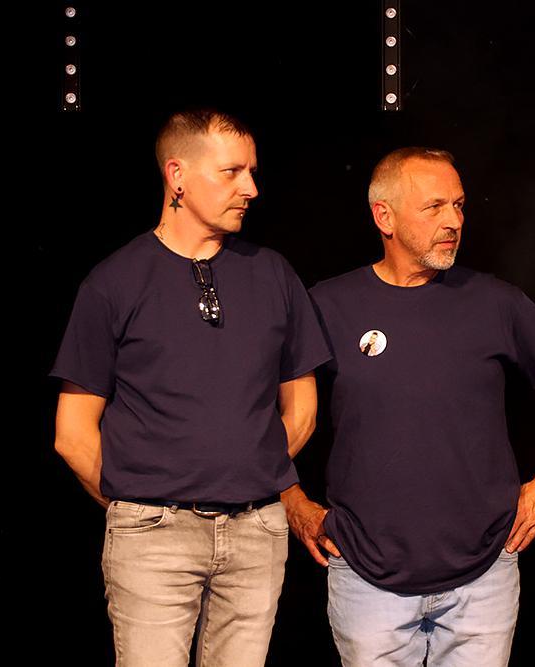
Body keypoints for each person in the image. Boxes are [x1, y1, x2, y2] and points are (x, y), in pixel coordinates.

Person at [283, 147, 535, 666]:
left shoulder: (493, 301)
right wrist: (291, 500)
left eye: (459, 205)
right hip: (366, 579)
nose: (453, 220)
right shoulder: (327, 305)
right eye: (434, 207)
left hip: (483, 577)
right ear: (384, 216)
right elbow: (258, 406)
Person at [50, 109, 331, 666]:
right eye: (231, 172)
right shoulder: (114, 282)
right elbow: (72, 434)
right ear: (177, 176)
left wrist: (246, 475)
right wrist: (142, 506)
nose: (250, 188)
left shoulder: (273, 273)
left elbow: (301, 408)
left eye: (251, 172)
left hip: (256, 532)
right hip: (152, 538)